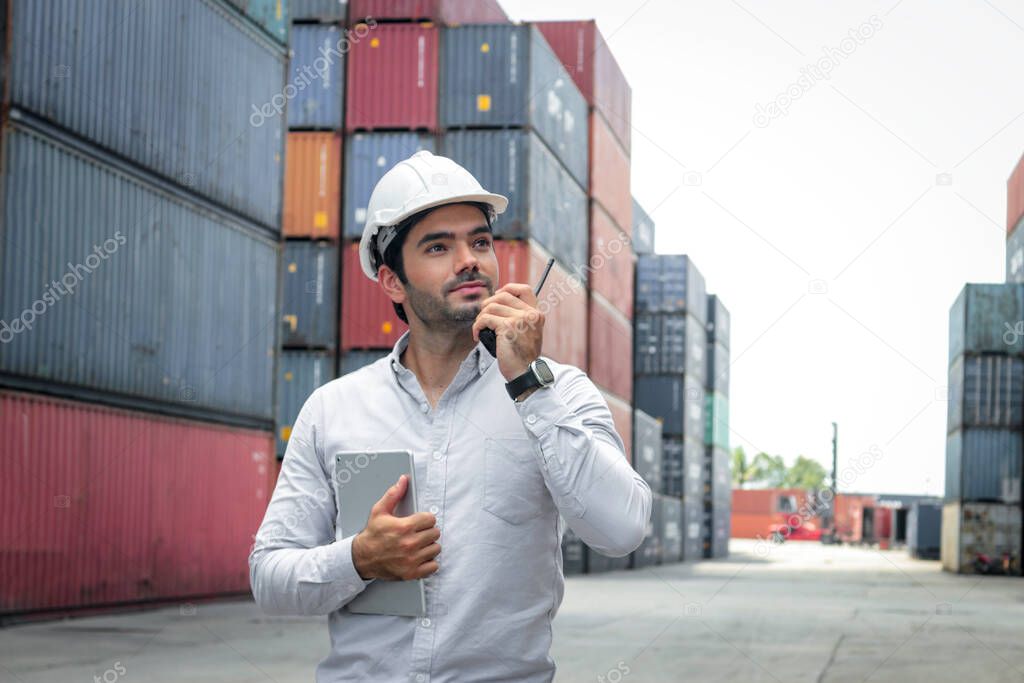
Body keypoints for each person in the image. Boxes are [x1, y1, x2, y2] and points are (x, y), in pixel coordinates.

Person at [249, 150, 652, 682]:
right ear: (393, 281)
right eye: (438, 246)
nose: (470, 260)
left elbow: (622, 530)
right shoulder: (334, 409)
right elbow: (269, 578)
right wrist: (360, 559)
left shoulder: (560, 392)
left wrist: (528, 384)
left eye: (479, 241)